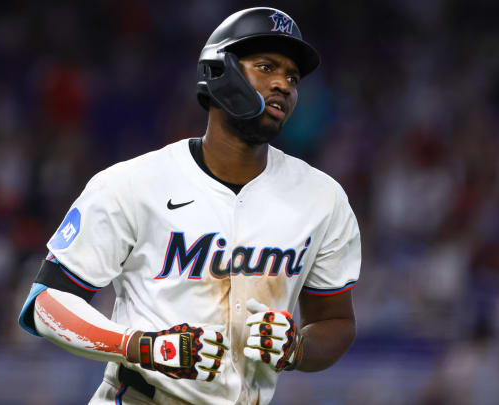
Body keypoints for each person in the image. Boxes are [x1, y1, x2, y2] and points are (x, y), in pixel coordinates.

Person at [18, 7, 360, 405]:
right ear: (219, 71)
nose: (283, 84)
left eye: (292, 77)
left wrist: (296, 349)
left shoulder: (322, 198)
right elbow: (45, 304)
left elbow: (335, 322)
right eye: (266, 67)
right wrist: (141, 346)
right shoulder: (133, 183)